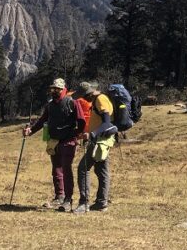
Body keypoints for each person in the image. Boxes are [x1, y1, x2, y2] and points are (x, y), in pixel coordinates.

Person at [23, 77, 85, 211]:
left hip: (68, 141)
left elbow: (81, 121)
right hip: (53, 141)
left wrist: (77, 133)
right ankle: (59, 196)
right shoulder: (50, 105)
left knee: (66, 170)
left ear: (63, 89)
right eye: (53, 88)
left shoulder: (72, 103)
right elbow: (42, 121)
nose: (54, 91)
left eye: (57, 89)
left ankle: (68, 200)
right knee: (56, 170)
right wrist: (30, 131)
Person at [73, 81, 117, 214]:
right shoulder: (100, 99)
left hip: (100, 141)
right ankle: (101, 203)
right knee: (101, 170)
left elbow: (107, 123)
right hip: (102, 140)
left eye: (83, 95)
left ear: (89, 93)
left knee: (83, 168)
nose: (83, 98)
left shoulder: (100, 100)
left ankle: (84, 203)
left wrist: (91, 134)